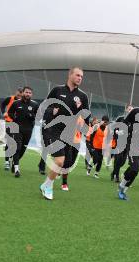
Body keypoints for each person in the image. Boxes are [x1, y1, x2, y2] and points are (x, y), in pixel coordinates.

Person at [39, 67, 90, 200]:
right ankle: (49, 187)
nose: (80, 78)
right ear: (70, 75)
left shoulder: (83, 97)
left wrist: (86, 129)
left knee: (66, 162)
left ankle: (46, 184)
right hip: (53, 130)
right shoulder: (57, 90)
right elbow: (45, 106)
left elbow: (86, 116)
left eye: (82, 76)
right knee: (60, 161)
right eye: (78, 75)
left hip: (70, 134)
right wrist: (52, 111)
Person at [7, 86, 39, 178]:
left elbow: (38, 116)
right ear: (23, 93)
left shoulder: (35, 104)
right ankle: (17, 169)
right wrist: (14, 118)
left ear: (31, 94)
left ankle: (14, 163)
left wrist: (32, 116)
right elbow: (10, 113)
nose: (28, 94)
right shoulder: (16, 103)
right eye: (26, 92)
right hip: (17, 128)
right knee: (17, 147)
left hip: (28, 130)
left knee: (23, 149)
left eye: (29, 93)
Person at [1, 87, 23, 170]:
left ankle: (14, 160)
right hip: (9, 122)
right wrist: (4, 112)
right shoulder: (10, 98)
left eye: (21, 92)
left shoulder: (23, 102)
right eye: (18, 92)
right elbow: (2, 104)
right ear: (16, 92)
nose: (19, 94)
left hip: (19, 124)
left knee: (17, 143)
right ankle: (6, 161)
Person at [110, 104, 133, 182]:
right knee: (118, 159)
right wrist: (117, 132)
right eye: (129, 109)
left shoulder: (133, 121)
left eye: (131, 109)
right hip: (119, 142)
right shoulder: (120, 118)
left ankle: (113, 172)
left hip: (128, 143)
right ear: (126, 110)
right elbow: (114, 128)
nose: (130, 110)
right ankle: (117, 176)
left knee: (122, 162)